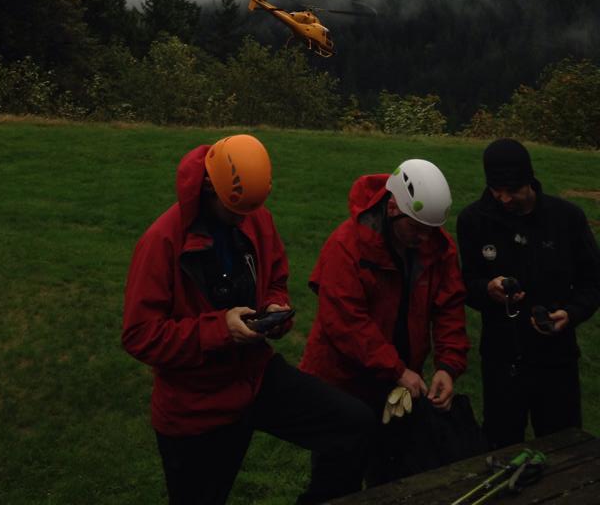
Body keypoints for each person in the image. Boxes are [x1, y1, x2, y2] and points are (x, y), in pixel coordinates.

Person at [122, 133, 376, 505]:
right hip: (196, 405)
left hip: (255, 378)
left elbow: (275, 277)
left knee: (354, 425)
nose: (244, 219)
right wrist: (219, 329)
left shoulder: (254, 218)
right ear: (210, 188)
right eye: (235, 210)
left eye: (251, 210)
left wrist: (274, 307)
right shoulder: (162, 242)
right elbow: (139, 335)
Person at [299, 158, 470, 485]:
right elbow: (346, 323)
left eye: (430, 230)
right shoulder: (348, 245)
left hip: (399, 383)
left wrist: (448, 366)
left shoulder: (437, 248)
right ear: (393, 208)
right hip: (343, 383)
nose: (423, 238)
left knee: (394, 476)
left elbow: (449, 307)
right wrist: (397, 369)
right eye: (416, 229)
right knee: (336, 481)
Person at [456, 138, 600, 449]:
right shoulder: (474, 221)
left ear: (530, 180)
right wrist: (487, 289)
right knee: (501, 447)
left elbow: (593, 281)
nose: (504, 198)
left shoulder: (567, 219)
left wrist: (571, 314)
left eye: (513, 190)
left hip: (556, 360)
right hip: (502, 359)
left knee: (564, 448)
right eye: (497, 190)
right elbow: (465, 283)